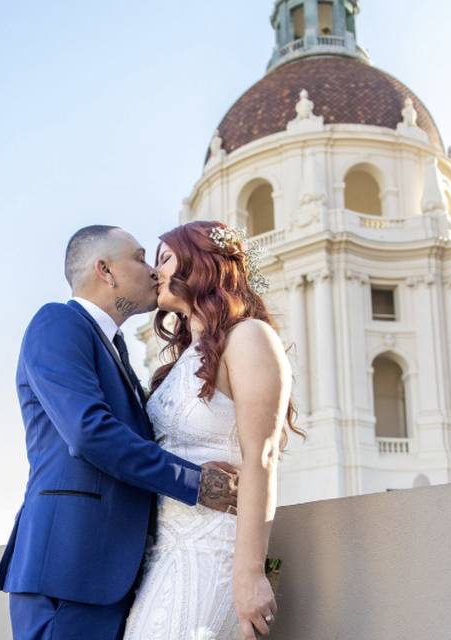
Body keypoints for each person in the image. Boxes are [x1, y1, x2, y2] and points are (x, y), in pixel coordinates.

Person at [0, 225, 240, 640]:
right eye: (141, 258)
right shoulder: (58, 322)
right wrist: (195, 482)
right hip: (69, 568)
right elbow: (89, 432)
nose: (153, 272)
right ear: (105, 270)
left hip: (110, 571)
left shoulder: (115, 347)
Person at [123, 220, 301, 640]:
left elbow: (262, 456)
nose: (154, 271)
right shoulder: (182, 361)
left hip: (213, 552)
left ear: (200, 262)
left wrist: (251, 574)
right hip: (162, 552)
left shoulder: (249, 337)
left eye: (164, 258)